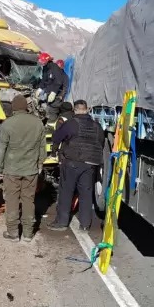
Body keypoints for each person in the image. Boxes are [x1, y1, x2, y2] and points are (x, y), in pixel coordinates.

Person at [0, 94, 46, 242]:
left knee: (11, 199)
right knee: (28, 200)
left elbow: (1, 149)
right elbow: (42, 147)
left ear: (13, 108)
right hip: (31, 169)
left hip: (11, 169)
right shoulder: (38, 123)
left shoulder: (7, 124)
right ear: (26, 107)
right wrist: (40, 164)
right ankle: (28, 234)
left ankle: (13, 233)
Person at [48, 99, 105, 232]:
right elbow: (100, 142)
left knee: (66, 191)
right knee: (86, 193)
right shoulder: (97, 126)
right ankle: (85, 224)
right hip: (90, 163)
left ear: (74, 110)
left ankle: (62, 222)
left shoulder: (71, 123)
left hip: (72, 162)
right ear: (87, 110)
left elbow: (57, 138)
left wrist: (55, 151)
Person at [36, 52, 67, 122]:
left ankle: (51, 125)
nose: (41, 63)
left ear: (47, 61)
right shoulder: (45, 68)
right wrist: (40, 88)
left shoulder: (54, 68)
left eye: (42, 62)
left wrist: (54, 92)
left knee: (52, 110)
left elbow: (59, 81)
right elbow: (44, 79)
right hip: (48, 92)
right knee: (44, 107)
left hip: (56, 95)